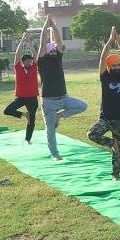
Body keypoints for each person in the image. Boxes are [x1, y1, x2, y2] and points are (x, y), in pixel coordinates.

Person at [36, 15, 88, 161]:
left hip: (64, 98)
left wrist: (54, 27)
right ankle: (55, 154)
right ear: (46, 52)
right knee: (50, 131)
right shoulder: (41, 61)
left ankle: (61, 115)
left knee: (82, 106)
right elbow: (42, 44)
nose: (54, 51)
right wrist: (46, 27)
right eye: (51, 50)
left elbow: (59, 42)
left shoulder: (58, 57)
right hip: (49, 102)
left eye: (54, 49)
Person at [87, 27, 120, 181]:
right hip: (106, 118)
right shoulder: (105, 76)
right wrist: (109, 42)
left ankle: (116, 175)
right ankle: (111, 142)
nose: (118, 67)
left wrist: (118, 41)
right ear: (109, 67)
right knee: (92, 134)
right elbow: (102, 58)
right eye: (114, 66)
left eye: (119, 65)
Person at [3, 31, 39, 144]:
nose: (29, 63)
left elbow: (35, 54)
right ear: (22, 63)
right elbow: (17, 55)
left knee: (32, 121)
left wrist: (29, 42)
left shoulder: (34, 67)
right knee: (7, 110)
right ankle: (24, 114)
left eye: (30, 61)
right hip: (21, 98)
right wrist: (22, 40)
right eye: (27, 62)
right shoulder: (18, 68)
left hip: (32, 98)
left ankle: (28, 139)